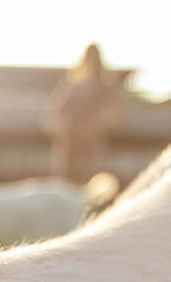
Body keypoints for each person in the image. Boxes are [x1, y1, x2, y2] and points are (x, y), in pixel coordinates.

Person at [51, 44, 125, 181]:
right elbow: (58, 114)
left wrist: (94, 126)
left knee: (89, 183)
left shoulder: (103, 88)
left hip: (91, 146)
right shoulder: (73, 86)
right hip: (71, 144)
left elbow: (113, 115)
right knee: (69, 182)